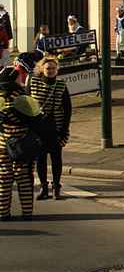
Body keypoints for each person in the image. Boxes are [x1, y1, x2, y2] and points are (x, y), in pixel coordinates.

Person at [27, 56, 71, 200]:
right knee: (40, 159)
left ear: (57, 70)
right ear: (42, 69)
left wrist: (64, 129)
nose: (51, 71)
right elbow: (27, 105)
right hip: (38, 127)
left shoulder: (61, 85)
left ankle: (56, 187)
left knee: (56, 158)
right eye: (48, 68)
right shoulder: (33, 82)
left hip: (56, 127)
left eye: (53, 68)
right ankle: (44, 188)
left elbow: (67, 108)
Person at [0, 67, 32, 221]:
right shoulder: (22, 97)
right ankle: (27, 212)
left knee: (4, 176)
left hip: (2, 142)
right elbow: (33, 118)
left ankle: (3, 212)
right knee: (22, 176)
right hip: (21, 142)